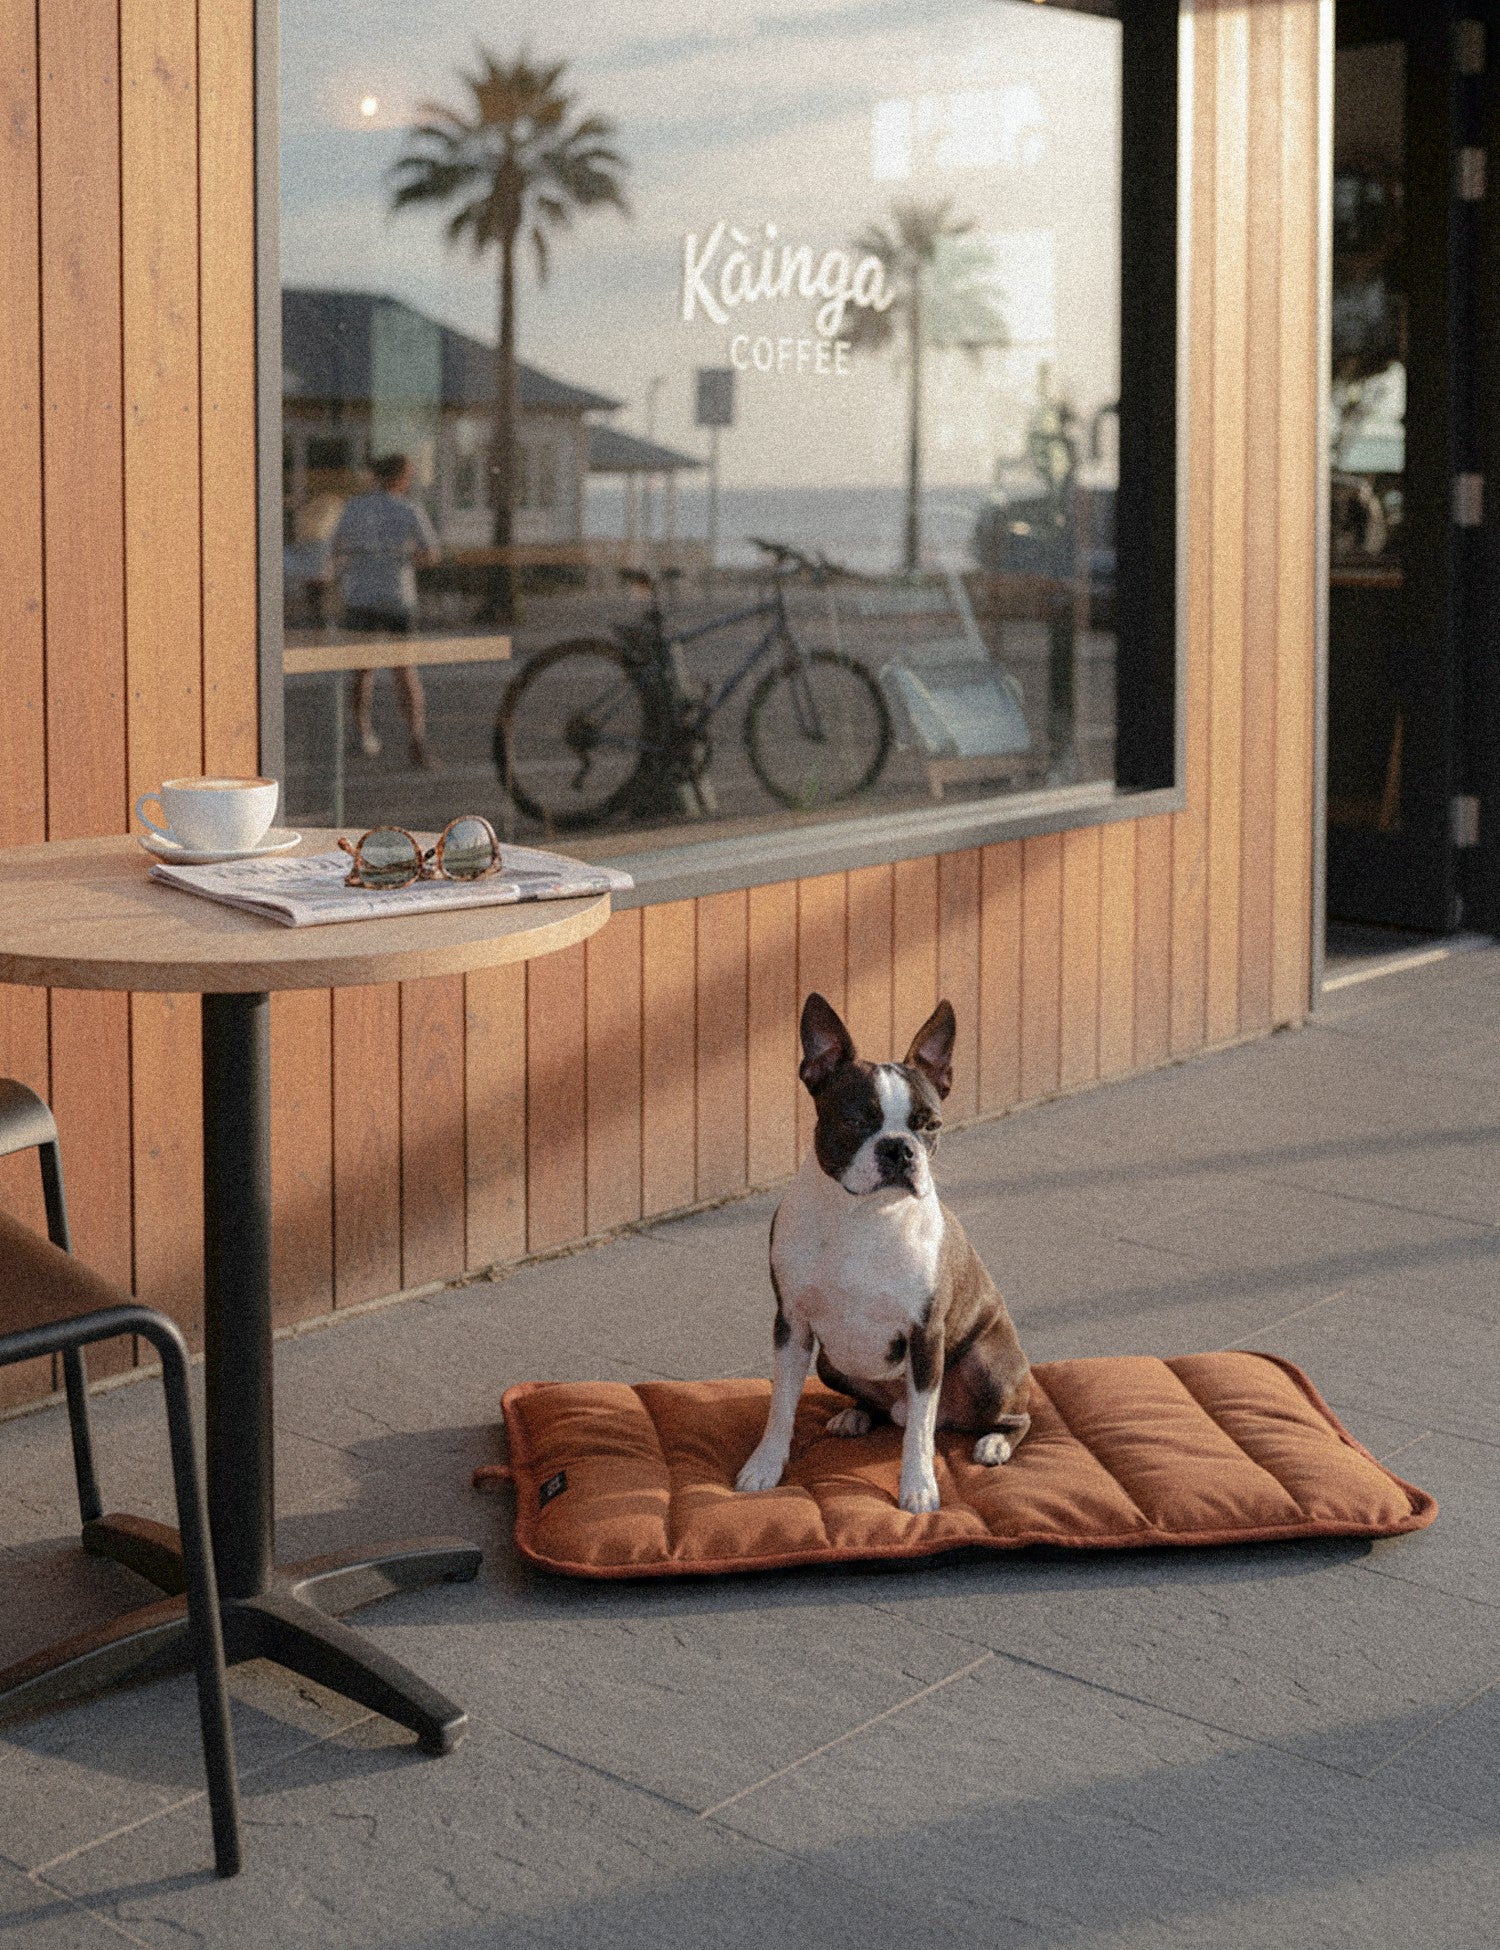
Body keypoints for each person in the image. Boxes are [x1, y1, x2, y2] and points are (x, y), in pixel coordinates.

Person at [330, 453, 440, 766]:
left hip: (361, 596)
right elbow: (431, 553)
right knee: (405, 672)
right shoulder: (408, 510)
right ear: (402, 477)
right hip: (397, 597)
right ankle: (416, 739)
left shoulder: (354, 508)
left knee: (362, 671)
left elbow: (335, 548)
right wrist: (403, 557)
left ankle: (362, 733)